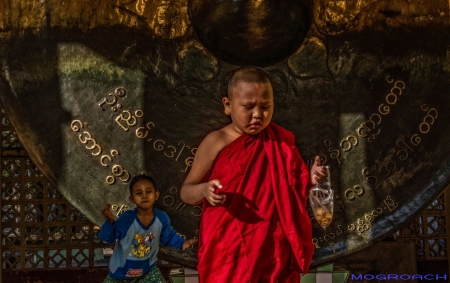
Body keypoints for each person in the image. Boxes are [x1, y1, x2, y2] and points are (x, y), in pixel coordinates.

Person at [180, 66, 327, 283]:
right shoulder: (217, 141)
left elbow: (289, 194)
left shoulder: (279, 142)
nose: (258, 114)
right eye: (248, 107)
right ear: (228, 106)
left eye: (265, 106)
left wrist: (310, 180)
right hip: (229, 251)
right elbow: (186, 191)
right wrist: (204, 190)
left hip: (273, 249)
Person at [99, 174, 196, 283]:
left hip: (147, 271)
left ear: (156, 195)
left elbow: (168, 237)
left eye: (148, 191)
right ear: (132, 199)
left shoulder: (161, 218)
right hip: (120, 273)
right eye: (139, 193)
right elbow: (108, 238)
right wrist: (110, 222)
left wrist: (182, 243)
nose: (144, 195)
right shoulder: (127, 218)